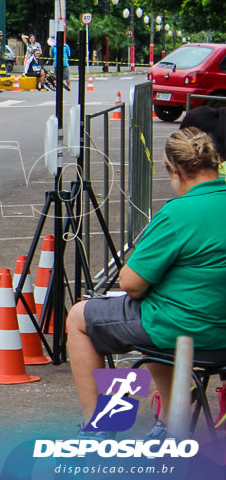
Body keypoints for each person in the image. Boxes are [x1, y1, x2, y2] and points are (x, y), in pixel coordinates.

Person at [67, 127, 226, 442]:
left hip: (186, 332)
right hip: (219, 335)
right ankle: (169, 416)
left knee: (79, 318)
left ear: (175, 170)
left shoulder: (178, 213)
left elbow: (131, 284)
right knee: (154, 309)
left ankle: (97, 425)